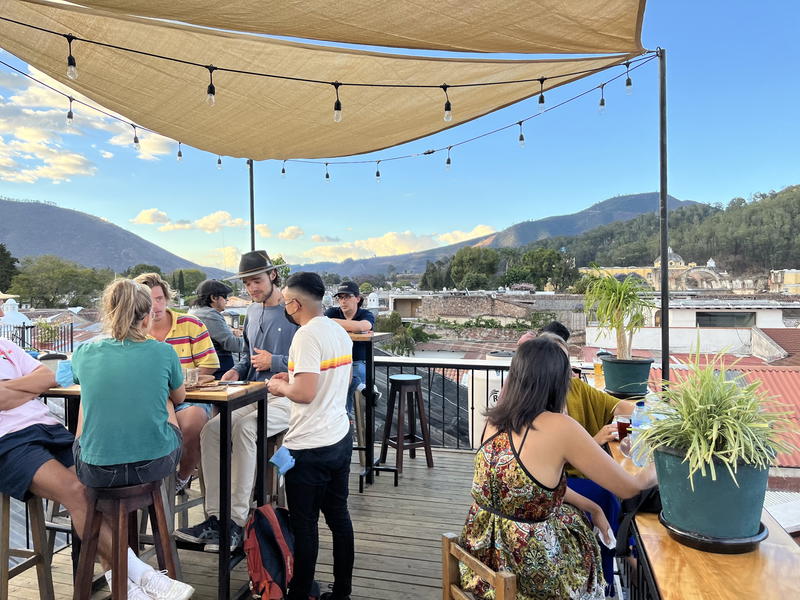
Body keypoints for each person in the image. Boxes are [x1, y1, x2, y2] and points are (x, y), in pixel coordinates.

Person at [459, 336, 657, 600]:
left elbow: (527, 487)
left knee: (597, 507)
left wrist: (592, 507)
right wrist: (663, 460)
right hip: (528, 569)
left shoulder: (493, 421)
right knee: (588, 543)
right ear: (558, 381)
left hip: (481, 553)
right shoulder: (560, 427)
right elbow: (631, 487)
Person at [68, 279, 194, 599]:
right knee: (165, 401)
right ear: (147, 316)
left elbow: (83, 380)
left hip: (99, 470)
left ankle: (123, 582)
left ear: (109, 313)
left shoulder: (84, 351)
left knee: (91, 404)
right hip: (152, 465)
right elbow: (179, 396)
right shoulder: (164, 352)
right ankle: (138, 579)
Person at [175, 251, 296, 552]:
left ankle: (236, 522)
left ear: (273, 276)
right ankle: (215, 518)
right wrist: (235, 370)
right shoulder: (252, 312)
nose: (252, 288)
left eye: (256, 280)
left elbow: (312, 360)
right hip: (252, 392)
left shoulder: (294, 310)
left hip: (289, 396)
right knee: (211, 430)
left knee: (244, 430)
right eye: (247, 283)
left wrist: (276, 360)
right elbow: (247, 357)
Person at [525, 321, 635, 597]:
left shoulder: (574, 391)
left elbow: (617, 406)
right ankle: (607, 578)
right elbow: (548, 476)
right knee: (609, 496)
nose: (570, 372)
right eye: (563, 366)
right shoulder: (544, 417)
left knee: (608, 497)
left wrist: (649, 412)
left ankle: (616, 560)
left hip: (501, 529)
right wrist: (595, 441)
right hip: (548, 502)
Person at [267, 272, 354, 600]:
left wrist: (279, 386)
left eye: (285, 300)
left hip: (309, 447)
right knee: (339, 517)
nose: (284, 305)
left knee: (304, 526)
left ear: (296, 303)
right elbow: (328, 381)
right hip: (339, 437)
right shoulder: (337, 330)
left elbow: (303, 393)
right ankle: (342, 591)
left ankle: (299, 592)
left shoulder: (305, 336)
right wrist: (290, 376)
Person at [134, 272, 219, 493]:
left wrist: (178, 380)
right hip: (152, 402)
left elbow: (210, 364)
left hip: (190, 399)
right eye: (150, 300)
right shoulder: (135, 333)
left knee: (192, 420)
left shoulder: (191, 323)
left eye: (159, 298)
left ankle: (180, 478)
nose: (156, 305)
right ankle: (148, 482)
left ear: (167, 298)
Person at [324, 281, 375, 415]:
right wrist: (355, 327)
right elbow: (320, 323)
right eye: (340, 297)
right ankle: (359, 388)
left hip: (359, 362)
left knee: (346, 378)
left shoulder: (365, 314)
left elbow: (363, 326)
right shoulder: (332, 312)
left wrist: (332, 323)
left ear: (358, 299)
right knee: (341, 376)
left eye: (347, 297)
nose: (343, 301)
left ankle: (346, 417)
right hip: (337, 362)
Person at [189, 279, 245, 379]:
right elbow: (231, 344)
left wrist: (230, 331)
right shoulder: (209, 315)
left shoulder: (194, 312)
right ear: (214, 298)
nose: (227, 300)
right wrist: (254, 340)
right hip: (218, 370)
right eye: (225, 297)